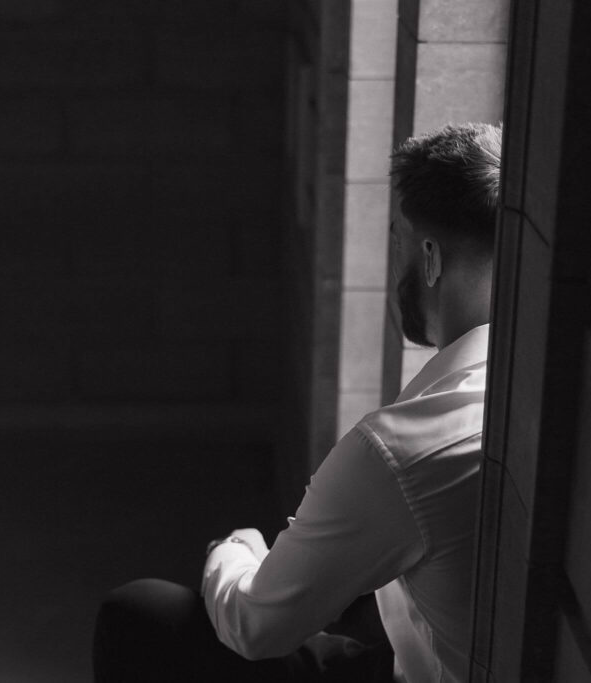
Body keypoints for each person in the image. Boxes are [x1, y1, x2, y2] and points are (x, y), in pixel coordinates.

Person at [93, 122, 502, 683]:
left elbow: (256, 628)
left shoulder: (401, 449)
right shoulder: (532, 383)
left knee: (140, 613)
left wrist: (234, 549)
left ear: (430, 259)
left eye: (397, 241)